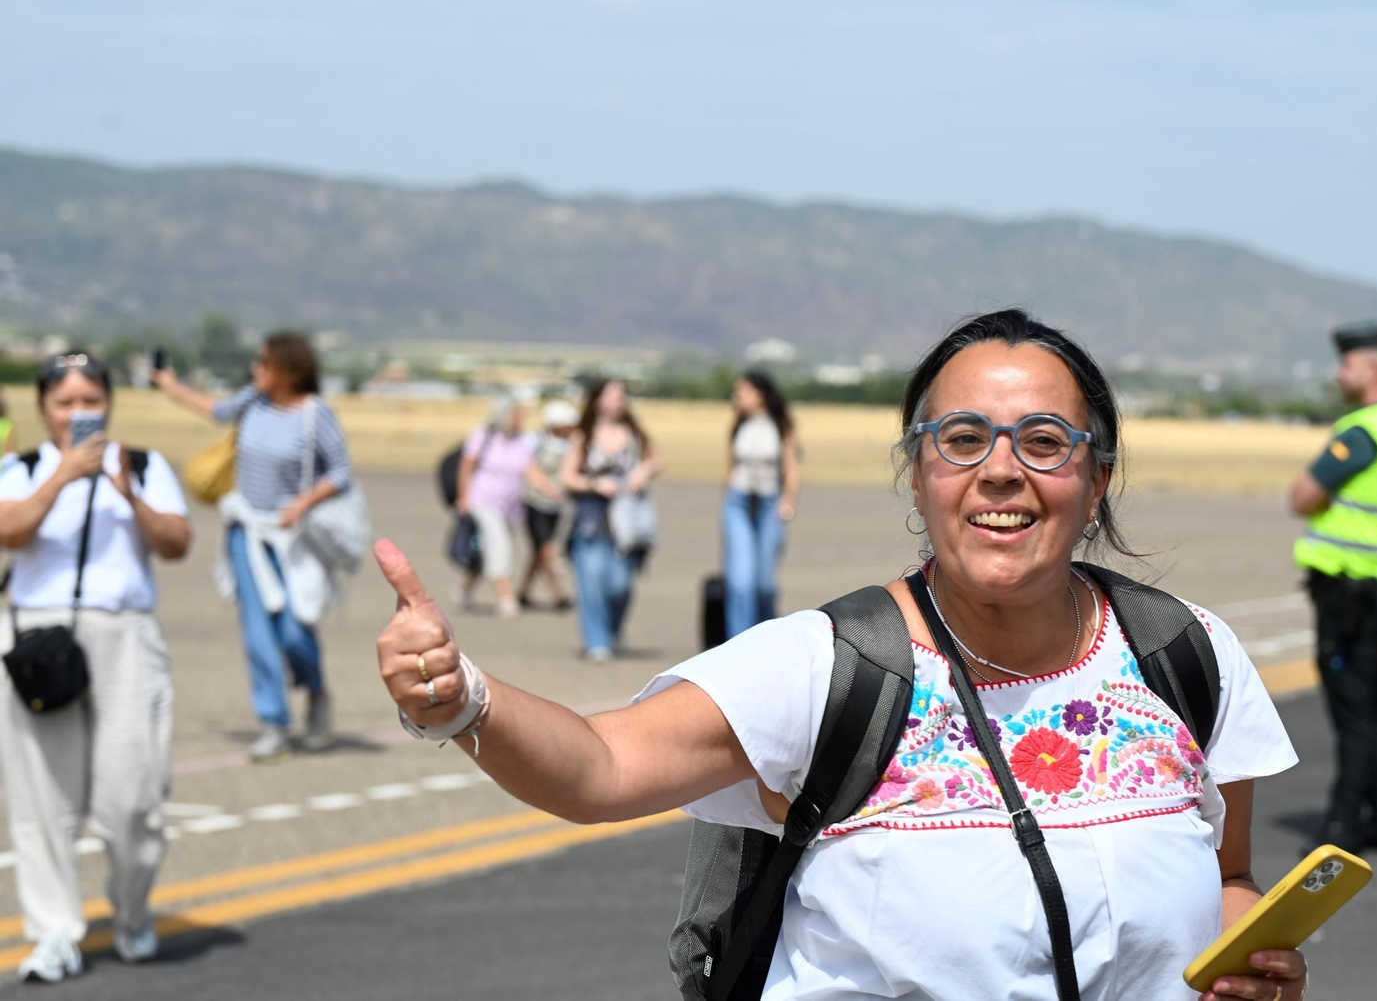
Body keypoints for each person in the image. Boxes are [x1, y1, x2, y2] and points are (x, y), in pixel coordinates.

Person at [372, 309, 1308, 1001]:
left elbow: (1228, 878)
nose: (1001, 470)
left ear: (1098, 478)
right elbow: (602, 767)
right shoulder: (831, 667)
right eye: (963, 439)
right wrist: (463, 701)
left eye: (1046, 442)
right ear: (920, 473)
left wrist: (1251, 964)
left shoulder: (1184, 654)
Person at [0, 352, 191, 982]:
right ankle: (54, 932)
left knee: (134, 796)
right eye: (65, 404)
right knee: (40, 797)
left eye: (90, 402)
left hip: (125, 636)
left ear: (109, 403)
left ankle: (132, 910)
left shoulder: (142, 465)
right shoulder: (21, 468)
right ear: (43, 410)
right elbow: (10, 531)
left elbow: (176, 544)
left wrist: (126, 494)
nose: (79, 415)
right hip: (38, 637)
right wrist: (61, 479)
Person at [155, 332, 353, 761]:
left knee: (296, 630)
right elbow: (214, 409)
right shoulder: (251, 402)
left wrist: (303, 502)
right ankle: (273, 723)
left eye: (263, 363)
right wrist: (170, 386)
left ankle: (317, 695)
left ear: (287, 369)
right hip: (247, 532)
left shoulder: (315, 415)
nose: (255, 369)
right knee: (258, 633)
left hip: (293, 539)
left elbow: (340, 472)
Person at [1289, 319, 1377, 856]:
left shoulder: (1363, 431)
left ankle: (1344, 825)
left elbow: (1303, 495)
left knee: (1353, 708)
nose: (1339, 373)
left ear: (1370, 370)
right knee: (1373, 700)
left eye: (1345, 364)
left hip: (1352, 590)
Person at [558, 378, 661, 663]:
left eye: (622, 396)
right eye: (612, 395)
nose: (618, 401)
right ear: (598, 399)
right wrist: (594, 484)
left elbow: (656, 459)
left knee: (619, 584)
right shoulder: (584, 435)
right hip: (591, 519)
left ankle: (612, 631)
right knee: (590, 579)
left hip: (627, 522)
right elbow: (567, 476)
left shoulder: (636, 434)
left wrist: (644, 471)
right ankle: (597, 642)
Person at [723, 371, 800, 638]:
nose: (737, 397)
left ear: (759, 394)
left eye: (742, 391)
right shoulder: (739, 425)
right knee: (740, 581)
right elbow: (730, 466)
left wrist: (788, 501)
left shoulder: (780, 427)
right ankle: (736, 642)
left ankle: (763, 639)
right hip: (739, 503)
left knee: (764, 583)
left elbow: (791, 467)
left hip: (770, 504)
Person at [455, 397, 535, 618]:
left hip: (509, 506)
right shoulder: (483, 436)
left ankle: (465, 590)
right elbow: (466, 467)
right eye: (516, 413)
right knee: (499, 546)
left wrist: (552, 491)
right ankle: (506, 598)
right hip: (483, 501)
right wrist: (463, 497)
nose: (521, 418)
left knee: (486, 549)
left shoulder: (523, 441)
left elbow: (531, 470)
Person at [516, 400, 577, 612]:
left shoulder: (571, 443)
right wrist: (544, 485)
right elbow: (527, 467)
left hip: (556, 507)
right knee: (548, 549)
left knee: (538, 552)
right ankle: (558, 594)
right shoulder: (535, 441)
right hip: (534, 504)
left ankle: (523, 592)